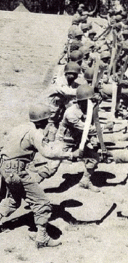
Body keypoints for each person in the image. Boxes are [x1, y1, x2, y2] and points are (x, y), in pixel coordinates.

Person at [0, 104, 79, 248]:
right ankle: (42, 238)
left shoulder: (19, 127)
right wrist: (70, 155)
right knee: (42, 203)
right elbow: (48, 153)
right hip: (16, 170)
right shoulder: (34, 132)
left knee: (13, 200)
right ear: (43, 121)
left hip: (5, 167)